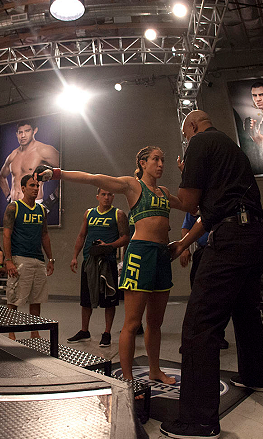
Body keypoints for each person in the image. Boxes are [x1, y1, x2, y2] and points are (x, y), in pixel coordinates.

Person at [163, 110, 263, 439]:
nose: (186, 140)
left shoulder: (199, 143)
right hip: (255, 235)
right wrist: (183, 243)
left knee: (200, 324)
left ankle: (198, 421)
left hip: (232, 238)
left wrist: (168, 189)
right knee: (245, 311)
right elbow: (210, 214)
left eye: (185, 134)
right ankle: (255, 376)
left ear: (193, 126)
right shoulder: (231, 149)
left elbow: (188, 203)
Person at [33, 146, 177, 387]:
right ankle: (128, 381)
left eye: (163, 159)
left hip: (162, 256)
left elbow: (188, 204)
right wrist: (56, 173)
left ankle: (154, 370)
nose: (161, 164)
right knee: (132, 322)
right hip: (141, 255)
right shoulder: (132, 185)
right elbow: (93, 179)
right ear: (142, 163)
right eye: (155, 159)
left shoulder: (164, 192)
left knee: (155, 323)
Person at [67, 188, 129, 348]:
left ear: (113, 197)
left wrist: (108, 246)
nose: (106, 197)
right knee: (86, 299)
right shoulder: (89, 213)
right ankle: (84, 331)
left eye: (109, 195)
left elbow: (125, 238)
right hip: (89, 261)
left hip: (108, 262)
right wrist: (75, 256)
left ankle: (107, 333)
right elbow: (81, 235)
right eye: (103, 194)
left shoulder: (119, 214)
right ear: (97, 197)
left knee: (109, 300)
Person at [3, 175, 55, 338]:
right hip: (20, 258)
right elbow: (6, 235)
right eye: (32, 185)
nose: (35, 188)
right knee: (14, 298)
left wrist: (50, 259)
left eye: (37, 186)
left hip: (38, 260)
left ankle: (34, 331)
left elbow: (45, 235)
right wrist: (8, 260)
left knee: (36, 298)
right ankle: (11, 332)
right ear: (23, 188)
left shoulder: (41, 210)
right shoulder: (14, 207)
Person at [179, 212, 229, 349]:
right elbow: (185, 229)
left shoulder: (213, 206)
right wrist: (184, 247)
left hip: (219, 251)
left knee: (218, 297)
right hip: (202, 253)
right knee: (196, 296)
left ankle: (217, 335)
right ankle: (192, 338)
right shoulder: (193, 211)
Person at [0, 120, 60, 210]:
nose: (23, 135)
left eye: (27, 131)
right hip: (14, 205)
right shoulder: (13, 155)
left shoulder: (44, 150)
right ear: (17, 134)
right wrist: (9, 198)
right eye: (20, 132)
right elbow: (1, 177)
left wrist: (51, 200)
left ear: (34, 131)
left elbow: (67, 169)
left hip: (34, 205)